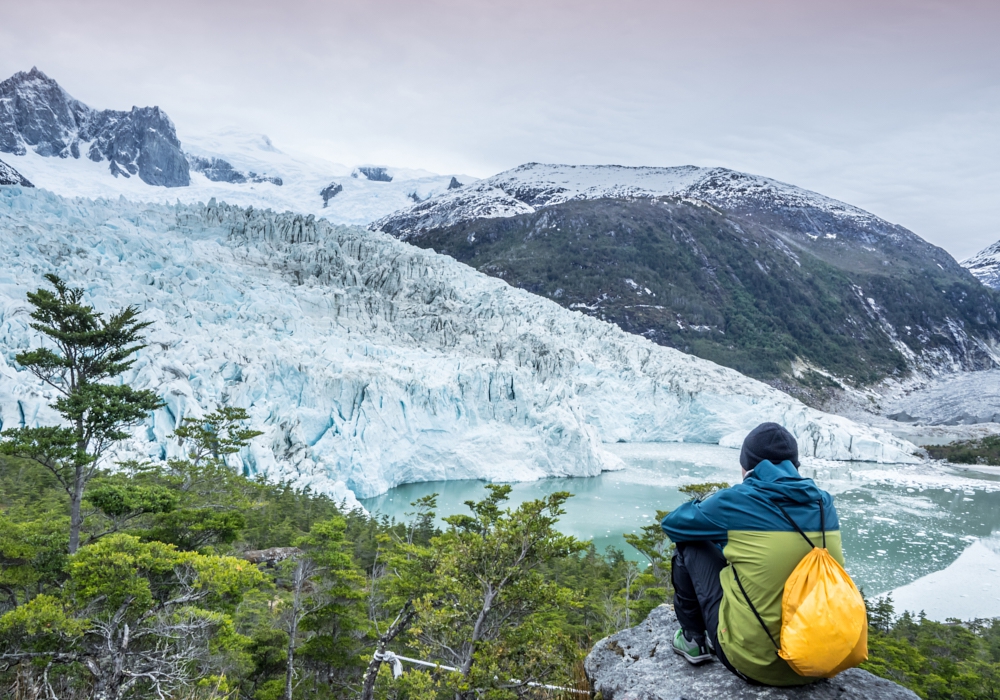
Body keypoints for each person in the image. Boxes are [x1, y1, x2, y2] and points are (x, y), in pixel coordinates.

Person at [660, 422, 845, 687]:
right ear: (795, 466)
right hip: (822, 661)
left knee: (691, 544)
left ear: (747, 467)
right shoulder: (823, 502)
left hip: (757, 665)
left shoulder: (737, 501)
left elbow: (673, 524)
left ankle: (694, 640)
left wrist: (712, 506)